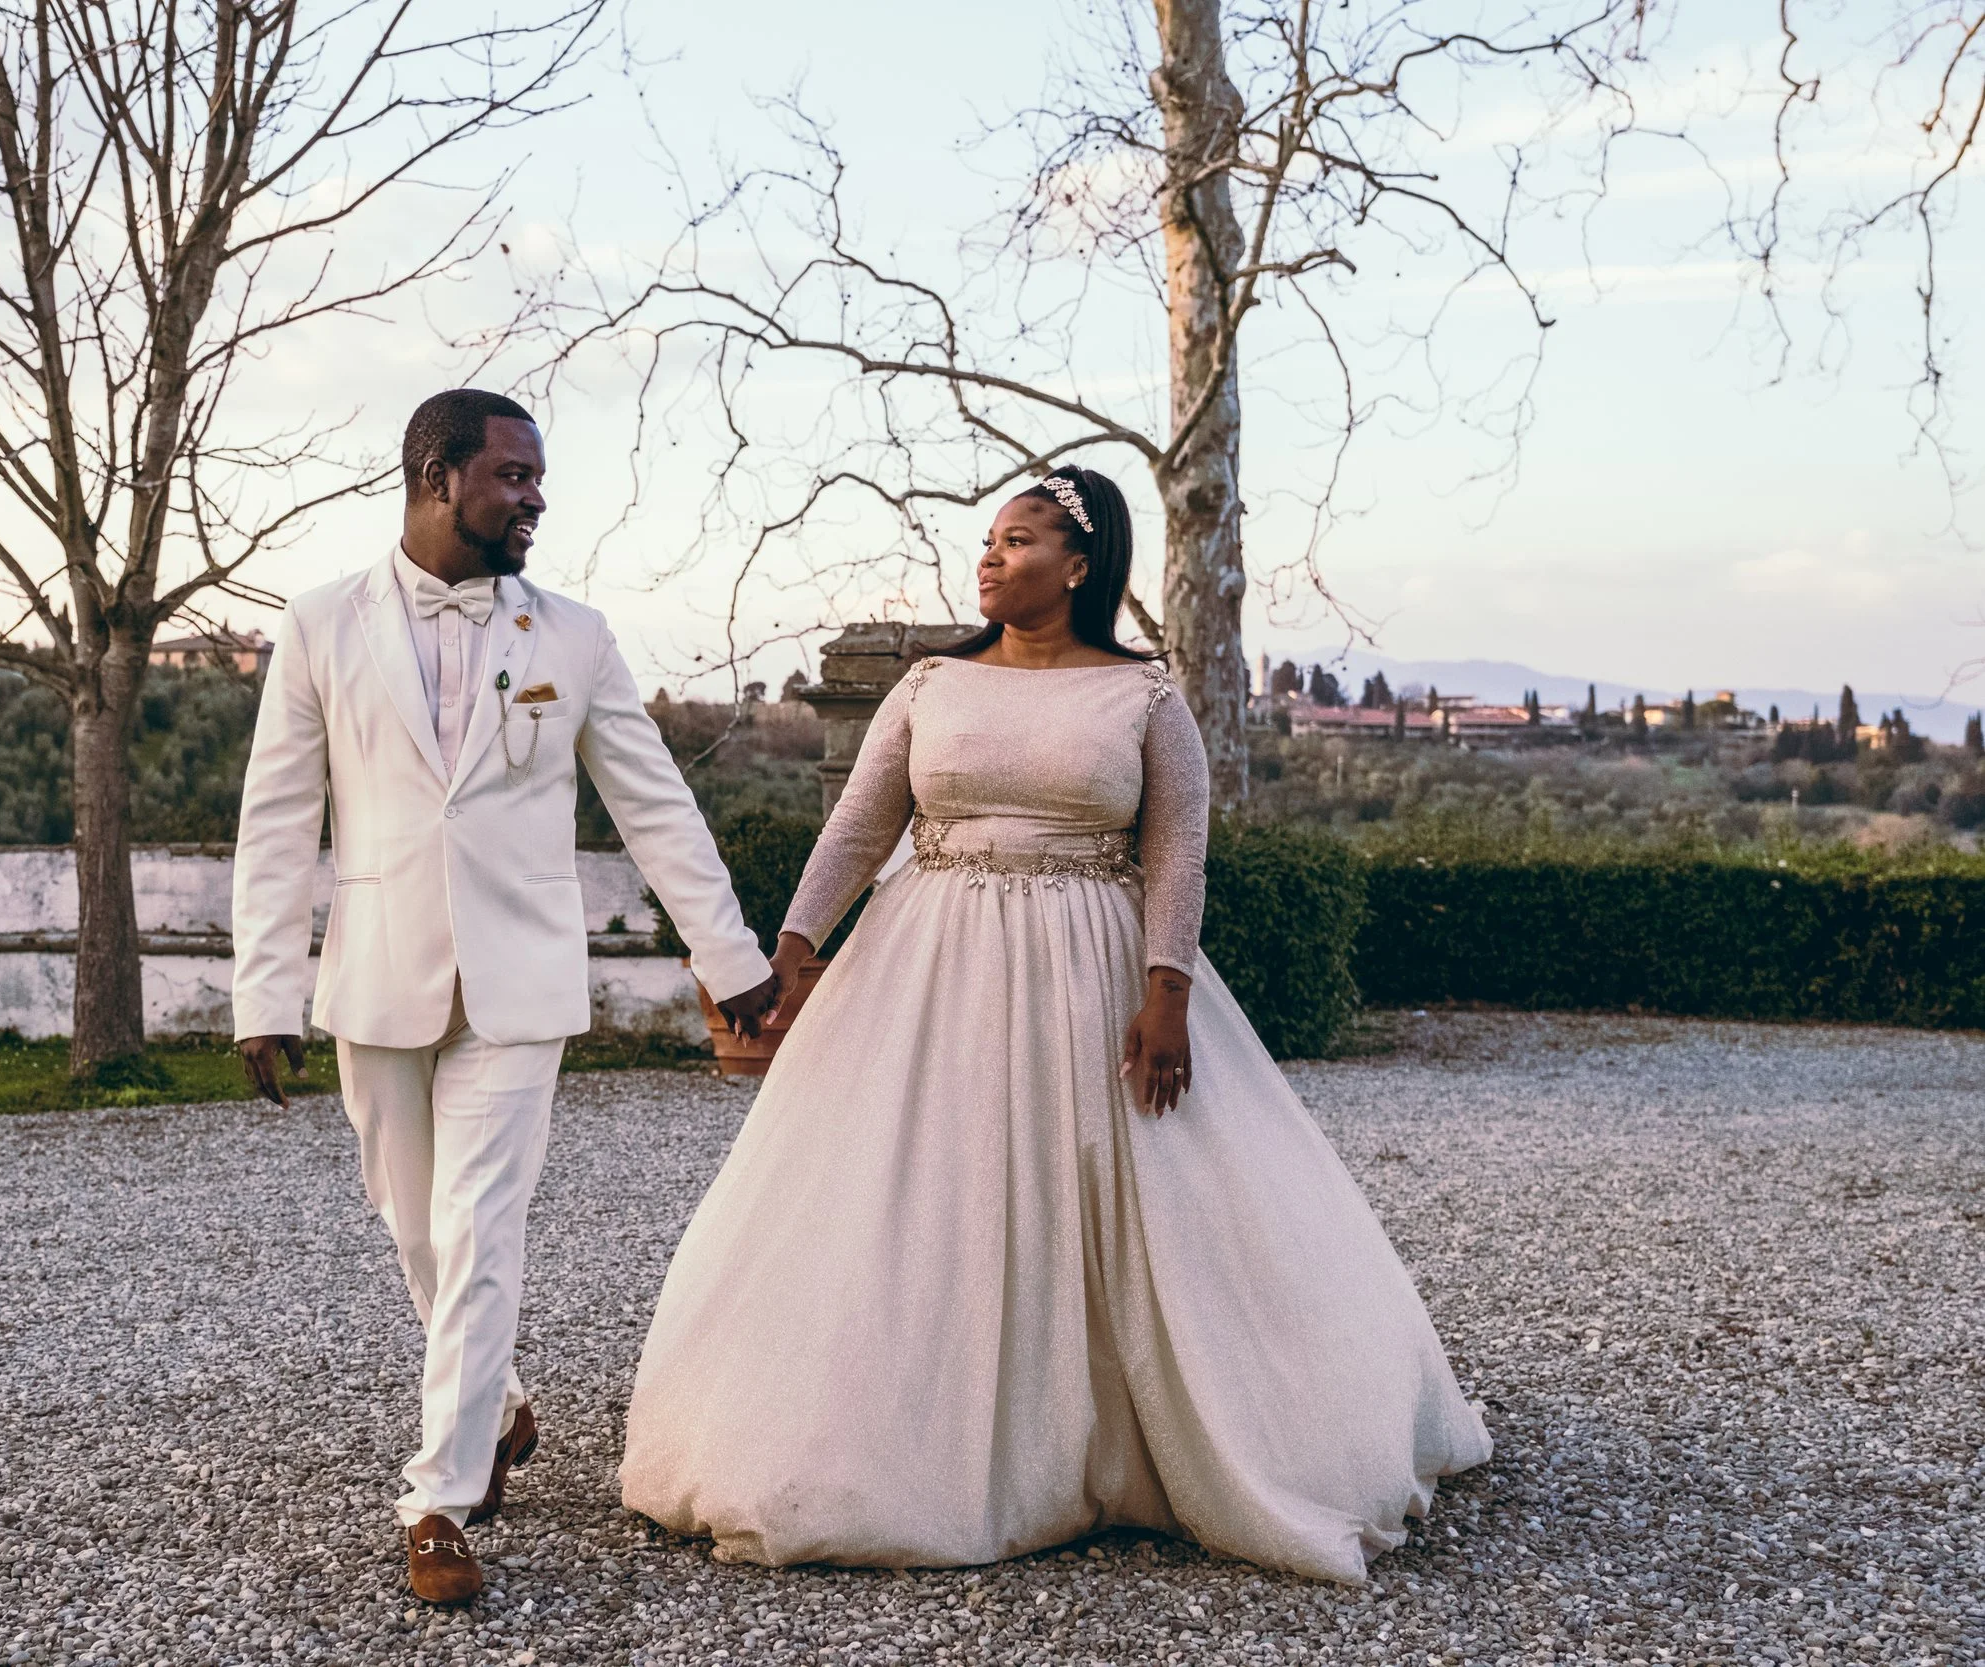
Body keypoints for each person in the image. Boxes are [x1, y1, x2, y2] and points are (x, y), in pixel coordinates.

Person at [619, 469, 1490, 1583]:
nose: (988, 557)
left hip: (1093, 959)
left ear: (1077, 565)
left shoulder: (1145, 699)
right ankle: (892, 1438)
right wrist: (791, 949)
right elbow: (854, 829)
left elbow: (1176, 847)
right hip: (924, 960)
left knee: (1122, 1186)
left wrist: (1165, 989)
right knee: (920, 1188)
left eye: (1017, 540)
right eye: (986, 540)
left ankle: (1145, 1438)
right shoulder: (931, 683)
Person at [230, 389, 781, 1605]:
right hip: (376, 972)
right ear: (437, 476)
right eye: (514, 476)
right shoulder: (320, 625)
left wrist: (727, 953)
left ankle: (437, 1495)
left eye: (537, 479)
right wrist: (260, 988)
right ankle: (505, 1401)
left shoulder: (573, 637)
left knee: (482, 1227)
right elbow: (276, 819)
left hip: (520, 982)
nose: (535, 497)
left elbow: (653, 802)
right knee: (414, 1223)